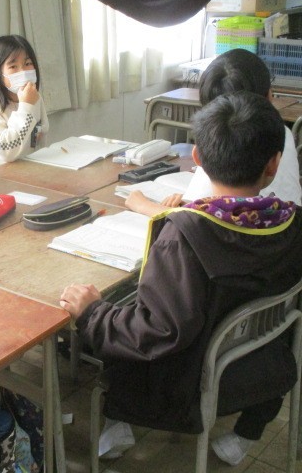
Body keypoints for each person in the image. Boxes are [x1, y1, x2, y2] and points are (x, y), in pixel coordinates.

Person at [60, 91, 302, 466]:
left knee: (113, 318)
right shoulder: (292, 221)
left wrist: (93, 313)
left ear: (198, 158)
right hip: (266, 363)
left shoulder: (185, 237)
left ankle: (118, 424)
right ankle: (244, 437)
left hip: (190, 381)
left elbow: (157, 332)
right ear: (274, 163)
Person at [127, 48, 302, 217]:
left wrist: (145, 206)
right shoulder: (279, 133)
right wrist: (188, 205)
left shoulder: (237, 137)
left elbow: (205, 221)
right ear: (268, 96)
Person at [0, 34, 49, 168]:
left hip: (30, 169)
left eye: (27, 64)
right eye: (13, 66)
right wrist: (26, 106)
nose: (23, 72)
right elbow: (6, 152)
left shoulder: (34, 97)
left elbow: (38, 140)